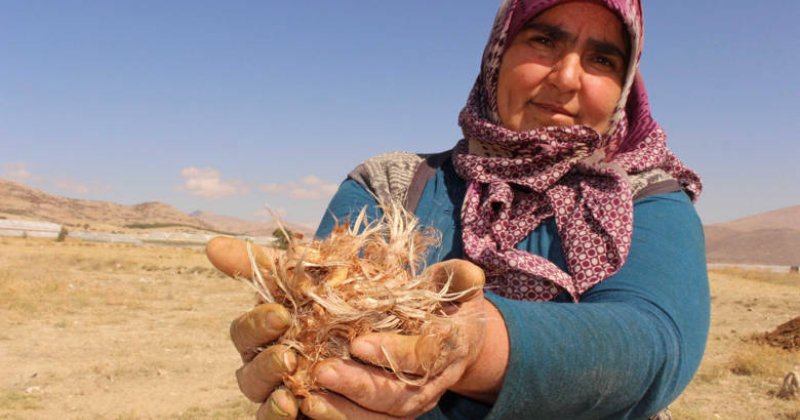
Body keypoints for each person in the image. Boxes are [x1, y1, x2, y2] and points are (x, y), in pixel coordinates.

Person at [213, 0, 710, 418]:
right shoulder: (390, 184)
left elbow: (653, 343)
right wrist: (305, 338)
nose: (566, 77)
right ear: (497, 55)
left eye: (602, 60)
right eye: (543, 42)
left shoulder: (645, 194)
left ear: (626, 87)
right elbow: (329, 314)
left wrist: (476, 347)